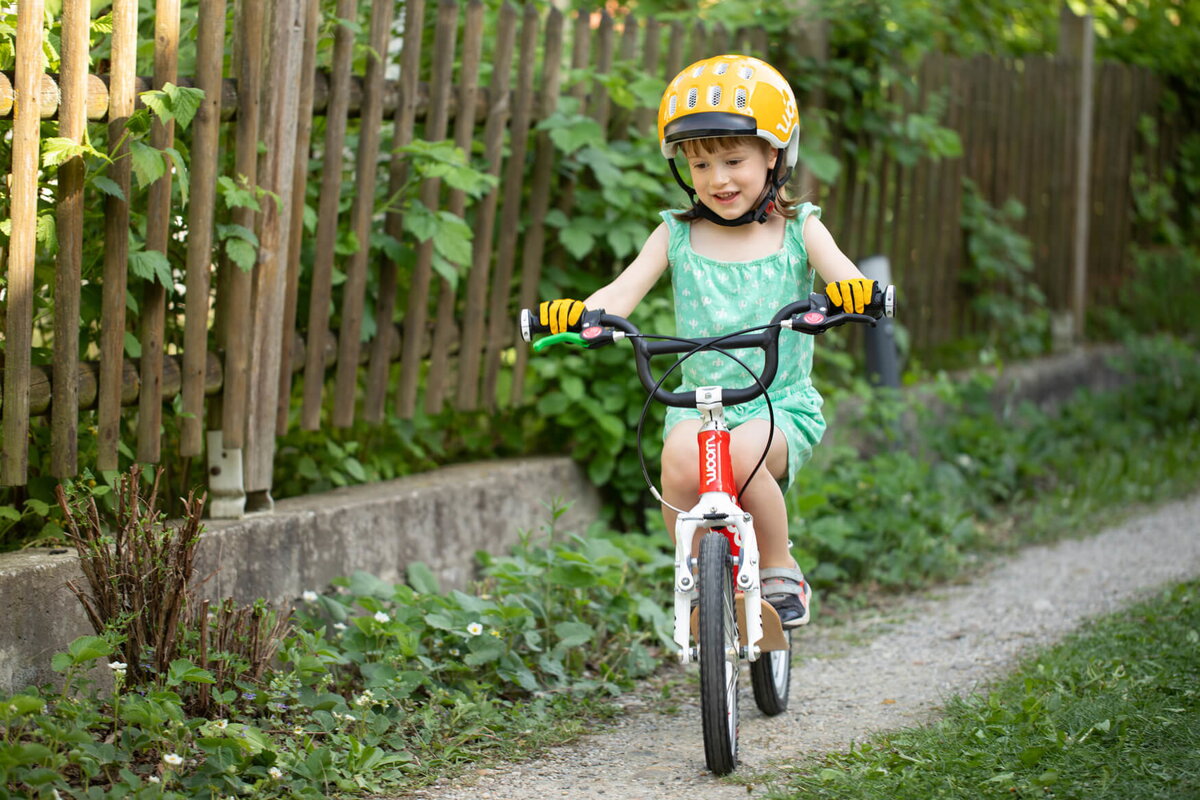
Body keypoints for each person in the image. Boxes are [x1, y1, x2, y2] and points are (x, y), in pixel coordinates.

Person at [536, 55, 877, 628]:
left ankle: (779, 565)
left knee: (739, 457)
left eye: (733, 160)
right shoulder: (676, 233)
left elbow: (846, 277)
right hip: (696, 402)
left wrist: (854, 295)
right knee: (677, 459)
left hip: (778, 402)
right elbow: (619, 296)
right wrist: (580, 315)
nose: (718, 179)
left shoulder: (800, 229)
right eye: (700, 164)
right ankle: (696, 578)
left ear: (774, 154)